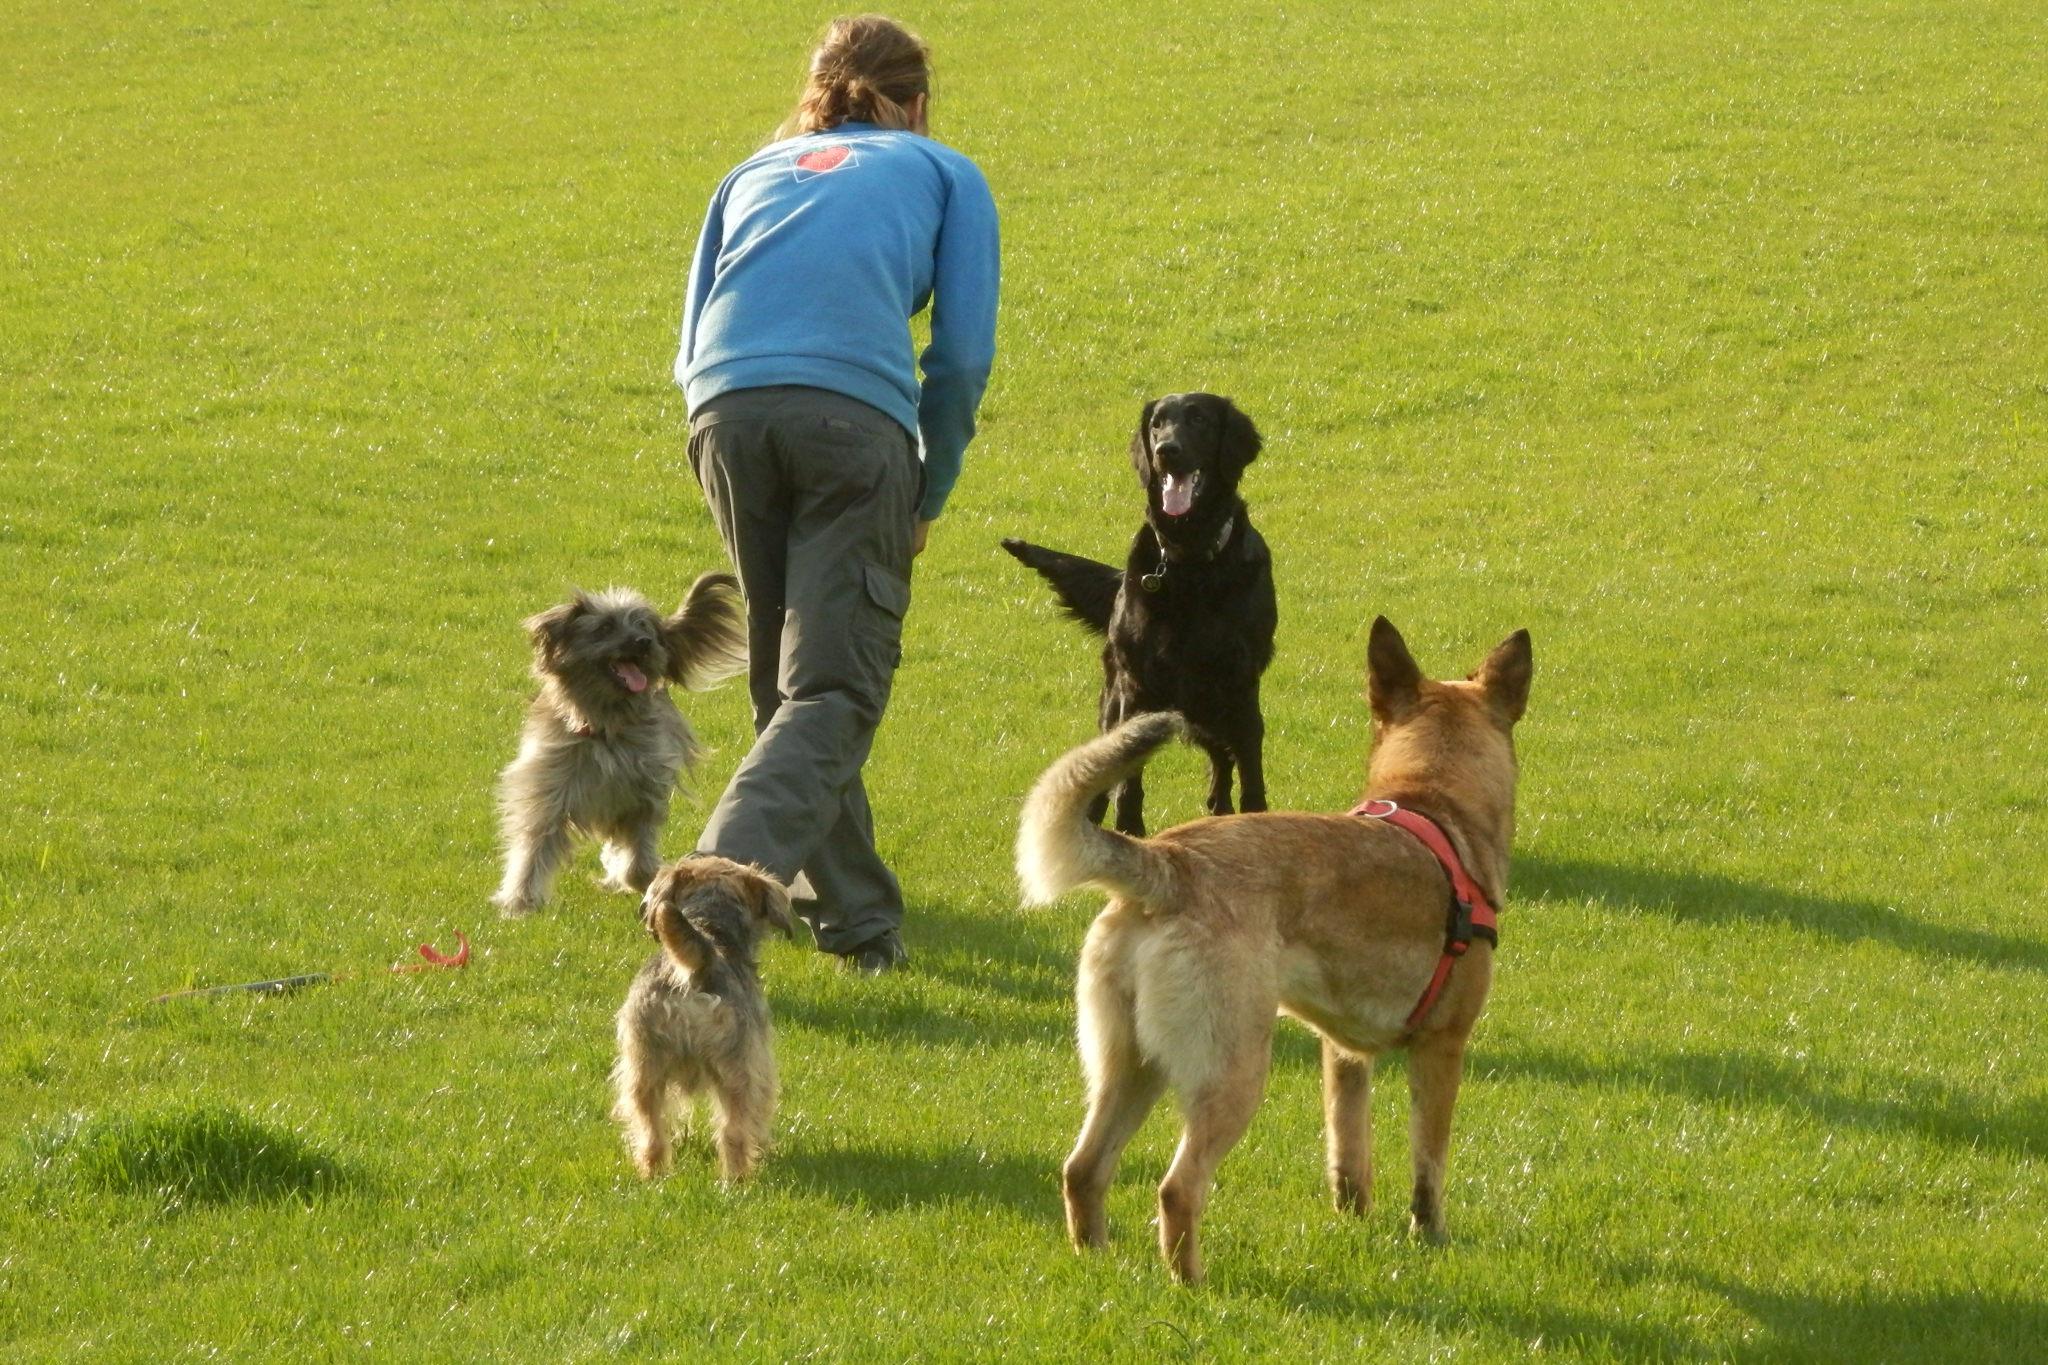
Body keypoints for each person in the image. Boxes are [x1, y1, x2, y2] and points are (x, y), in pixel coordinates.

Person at [675, 15, 1000, 972]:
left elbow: (691, 341)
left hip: (724, 413)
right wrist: (927, 492)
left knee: (792, 687)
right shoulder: (945, 172)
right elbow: (964, 355)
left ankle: (857, 926)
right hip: (851, 424)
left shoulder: (751, 171)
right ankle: (712, 886)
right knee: (836, 683)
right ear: (919, 102)